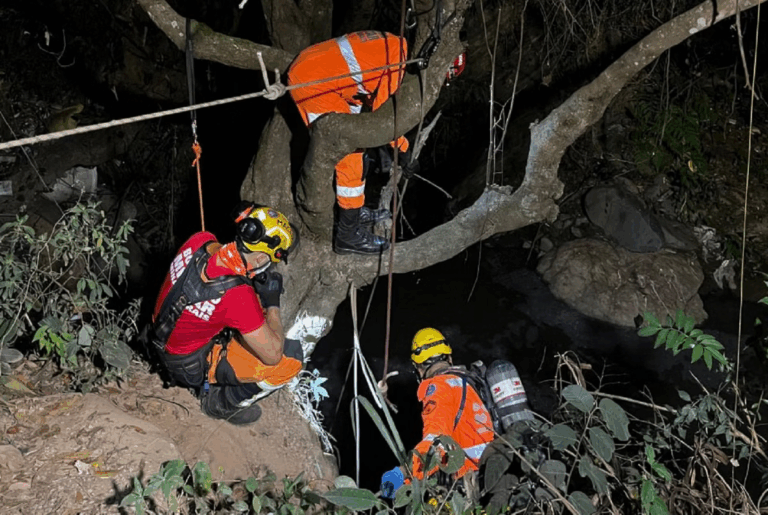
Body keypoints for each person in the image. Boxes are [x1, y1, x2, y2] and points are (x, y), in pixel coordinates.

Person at [150, 202, 303, 425]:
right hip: (188, 365)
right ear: (261, 259)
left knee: (245, 320)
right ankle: (221, 403)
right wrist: (272, 303)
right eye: (269, 261)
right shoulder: (238, 297)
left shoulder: (200, 240)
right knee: (290, 359)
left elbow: (217, 268)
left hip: (159, 334)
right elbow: (273, 355)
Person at [286, 31, 417, 255]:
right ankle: (348, 236)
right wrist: (404, 151)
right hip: (314, 82)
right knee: (350, 155)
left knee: (358, 148)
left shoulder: (397, 45)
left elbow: (371, 90)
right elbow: (383, 119)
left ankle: (354, 214)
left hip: (330, 80)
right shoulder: (399, 62)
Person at [380, 327, 495, 502]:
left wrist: (402, 474)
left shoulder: (439, 388)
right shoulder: (472, 382)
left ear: (419, 368)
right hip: (494, 478)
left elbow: (435, 444)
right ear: (449, 358)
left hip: (470, 487)